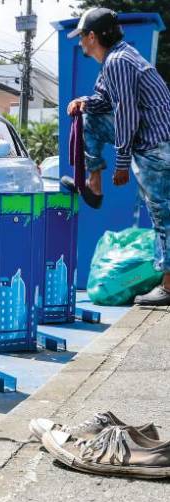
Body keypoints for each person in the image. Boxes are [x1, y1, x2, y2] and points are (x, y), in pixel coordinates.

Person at [65, 8, 170, 306]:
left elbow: (126, 112)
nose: (81, 43)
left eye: (82, 36)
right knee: (87, 117)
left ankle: (169, 285)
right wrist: (83, 101)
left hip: (157, 146)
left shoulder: (119, 62)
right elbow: (104, 102)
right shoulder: (116, 60)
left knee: (163, 213)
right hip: (151, 142)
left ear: (93, 36)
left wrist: (122, 163)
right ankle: (94, 184)